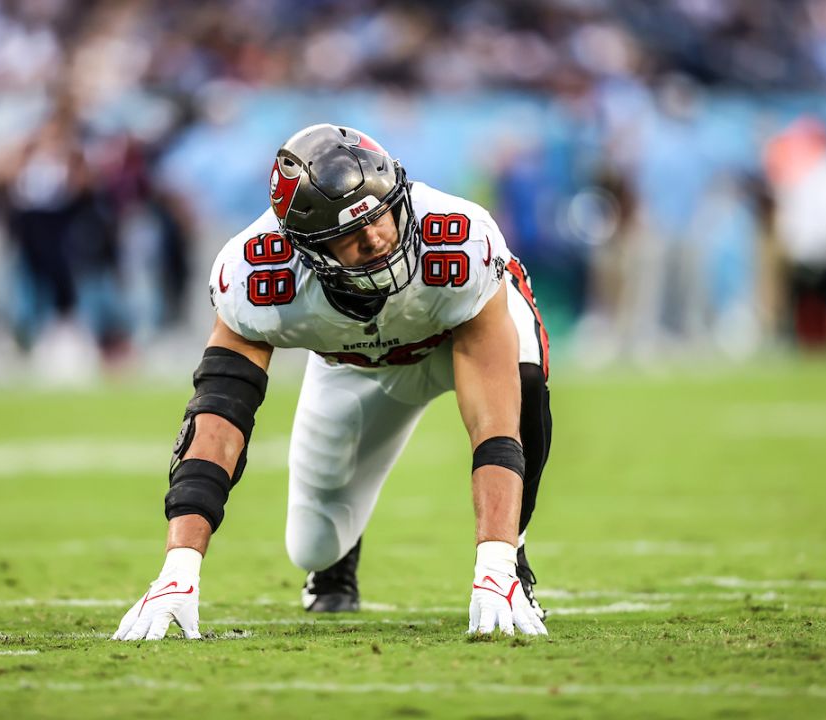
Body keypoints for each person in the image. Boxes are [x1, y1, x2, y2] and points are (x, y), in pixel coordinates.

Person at [113, 124, 553, 640]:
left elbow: (495, 422)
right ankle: (337, 558)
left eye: (380, 216)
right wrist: (179, 569)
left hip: (456, 342)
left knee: (524, 377)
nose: (376, 239)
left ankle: (511, 559)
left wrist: (495, 559)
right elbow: (217, 421)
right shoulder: (259, 272)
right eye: (349, 236)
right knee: (312, 545)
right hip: (355, 367)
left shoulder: (457, 240)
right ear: (306, 248)